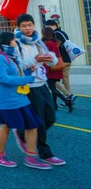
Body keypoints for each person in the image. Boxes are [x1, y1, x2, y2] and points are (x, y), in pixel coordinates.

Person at [0, 33, 50, 169]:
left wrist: (27, 73)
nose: (15, 42)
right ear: (8, 41)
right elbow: (3, 78)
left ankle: (31, 156)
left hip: (19, 98)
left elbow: (15, 74)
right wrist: (27, 79)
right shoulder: (0, 58)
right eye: (13, 40)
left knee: (32, 124)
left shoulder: (11, 57)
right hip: (7, 100)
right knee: (6, 126)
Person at [13, 13, 65, 166]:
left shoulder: (38, 41)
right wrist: (36, 60)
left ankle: (22, 132)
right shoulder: (16, 44)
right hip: (29, 86)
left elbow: (51, 59)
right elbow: (18, 66)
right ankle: (45, 153)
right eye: (24, 26)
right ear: (19, 27)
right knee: (39, 121)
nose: (28, 28)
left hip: (42, 84)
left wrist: (51, 59)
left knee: (50, 117)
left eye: (30, 25)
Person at [44, 19, 76, 104]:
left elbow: (55, 48)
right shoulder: (63, 33)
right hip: (68, 59)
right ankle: (69, 98)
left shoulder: (55, 35)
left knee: (54, 80)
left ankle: (68, 95)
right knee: (65, 79)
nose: (49, 29)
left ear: (53, 26)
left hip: (61, 60)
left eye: (49, 27)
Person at [41, 28, 72, 112]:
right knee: (53, 86)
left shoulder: (46, 43)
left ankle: (66, 101)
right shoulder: (54, 42)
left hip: (50, 66)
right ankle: (54, 105)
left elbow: (45, 55)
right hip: (57, 65)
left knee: (52, 87)